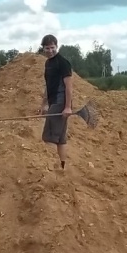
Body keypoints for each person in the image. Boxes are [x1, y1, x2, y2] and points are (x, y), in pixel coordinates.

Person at [40, 34, 73, 170]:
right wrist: (44, 104)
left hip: (60, 103)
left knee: (49, 138)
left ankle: (51, 169)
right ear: (43, 48)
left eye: (52, 47)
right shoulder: (48, 63)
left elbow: (69, 87)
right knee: (60, 139)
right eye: (47, 48)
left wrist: (67, 107)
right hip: (53, 102)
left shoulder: (63, 63)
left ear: (56, 46)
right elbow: (48, 85)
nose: (50, 50)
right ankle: (62, 168)